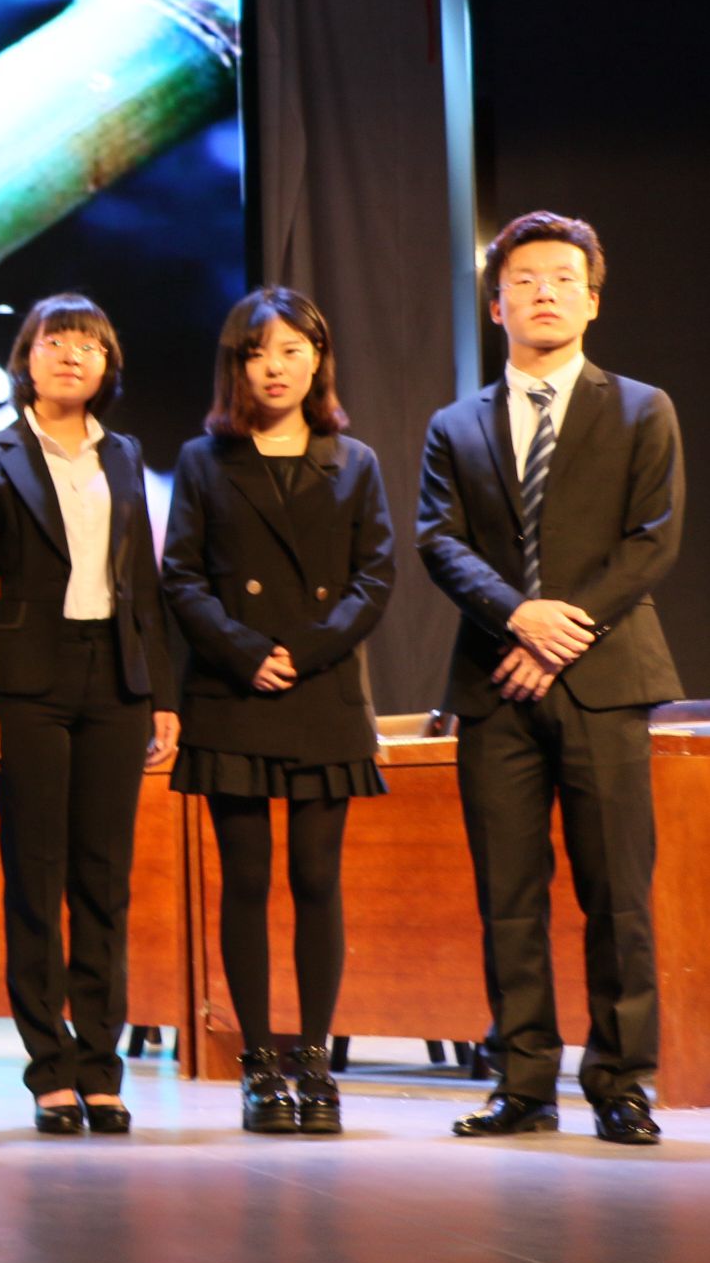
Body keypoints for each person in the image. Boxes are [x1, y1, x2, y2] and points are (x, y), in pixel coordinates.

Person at [418, 212, 684, 1146]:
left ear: (592, 301)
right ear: (496, 305)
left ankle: (622, 1081)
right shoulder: (455, 424)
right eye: (525, 279)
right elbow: (439, 540)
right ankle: (523, 1081)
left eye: (564, 279)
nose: (544, 293)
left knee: (618, 892)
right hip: (495, 682)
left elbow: (653, 540)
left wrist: (560, 630)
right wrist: (518, 617)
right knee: (508, 894)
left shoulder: (642, 408)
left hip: (605, 677)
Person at [160, 286, 392, 1136]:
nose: (276, 367)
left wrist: (309, 649)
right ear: (237, 366)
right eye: (258, 352)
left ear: (317, 360)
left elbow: (376, 574)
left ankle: (317, 1064)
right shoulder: (203, 461)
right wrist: (247, 651)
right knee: (247, 881)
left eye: (293, 350)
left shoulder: (353, 460)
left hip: (323, 691)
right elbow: (181, 575)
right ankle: (260, 1065)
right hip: (234, 692)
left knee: (318, 879)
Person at [0, 295, 178, 1134]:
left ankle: (101, 1065)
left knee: (104, 877)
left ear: (108, 364)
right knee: (35, 876)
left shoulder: (123, 454)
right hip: (27, 678)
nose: (71, 355)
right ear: (27, 357)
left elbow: (145, 582)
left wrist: (162, 692)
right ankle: (48, 1068)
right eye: (55, 341)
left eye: (90, 344)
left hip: (114, 676)